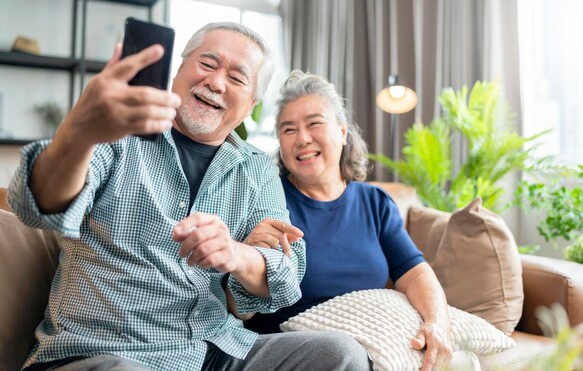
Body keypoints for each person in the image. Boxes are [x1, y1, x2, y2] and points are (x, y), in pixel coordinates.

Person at [8, 23, 371, 371]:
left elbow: (286, 275)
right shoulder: (119, 132)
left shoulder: (257, 169)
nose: (215, 82)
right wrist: (80, 132)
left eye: (236, 77)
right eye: (207, 64)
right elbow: (36, 203)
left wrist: (236, 252)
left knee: (340, 355)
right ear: (178, 70)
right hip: (103, 351)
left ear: (250, 104)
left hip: (214, 351)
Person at [243, 70, 454, 371]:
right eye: (288, 130)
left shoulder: (374, 203)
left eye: (314, 123)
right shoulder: (268, 199)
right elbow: (242, 304)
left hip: (369, 350)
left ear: (342, 131)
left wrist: (437, 323)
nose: (302, 138)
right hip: (294, 354)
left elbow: (416, 273)